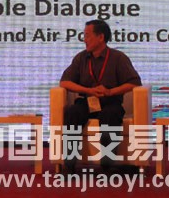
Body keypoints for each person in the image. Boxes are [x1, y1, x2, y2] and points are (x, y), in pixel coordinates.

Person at [59, 19, 142, 173]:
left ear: (101, 37)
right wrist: (88, 90)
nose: (84, 39)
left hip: (110, 101)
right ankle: (69, 164)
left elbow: (134, 82)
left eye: (87, 35)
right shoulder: (81, 58)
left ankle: (107, 165)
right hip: (87, 101)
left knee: (111, 115)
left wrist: (111, 92)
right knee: (72, 113)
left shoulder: (118, 58)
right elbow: (64, 82)